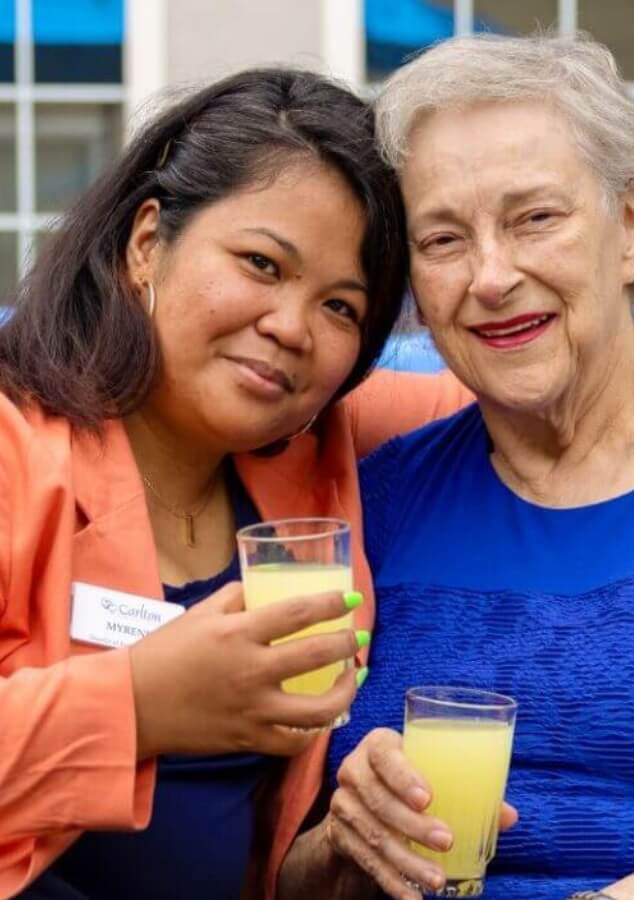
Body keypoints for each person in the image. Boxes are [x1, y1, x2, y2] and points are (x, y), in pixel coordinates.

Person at [0, 68, 471, 899]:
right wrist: (142, 703)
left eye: (340, 308)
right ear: (148, 242)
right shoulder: (14, 445)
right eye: (261, 263)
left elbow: (553, 395)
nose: (291, 327)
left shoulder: (327, 440)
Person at [277, 33, 634, 900]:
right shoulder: (379, 499)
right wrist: (341, 845)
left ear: (632, 223)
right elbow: (279, 875)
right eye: (443, 239)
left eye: (535, 219)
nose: (491, 276)